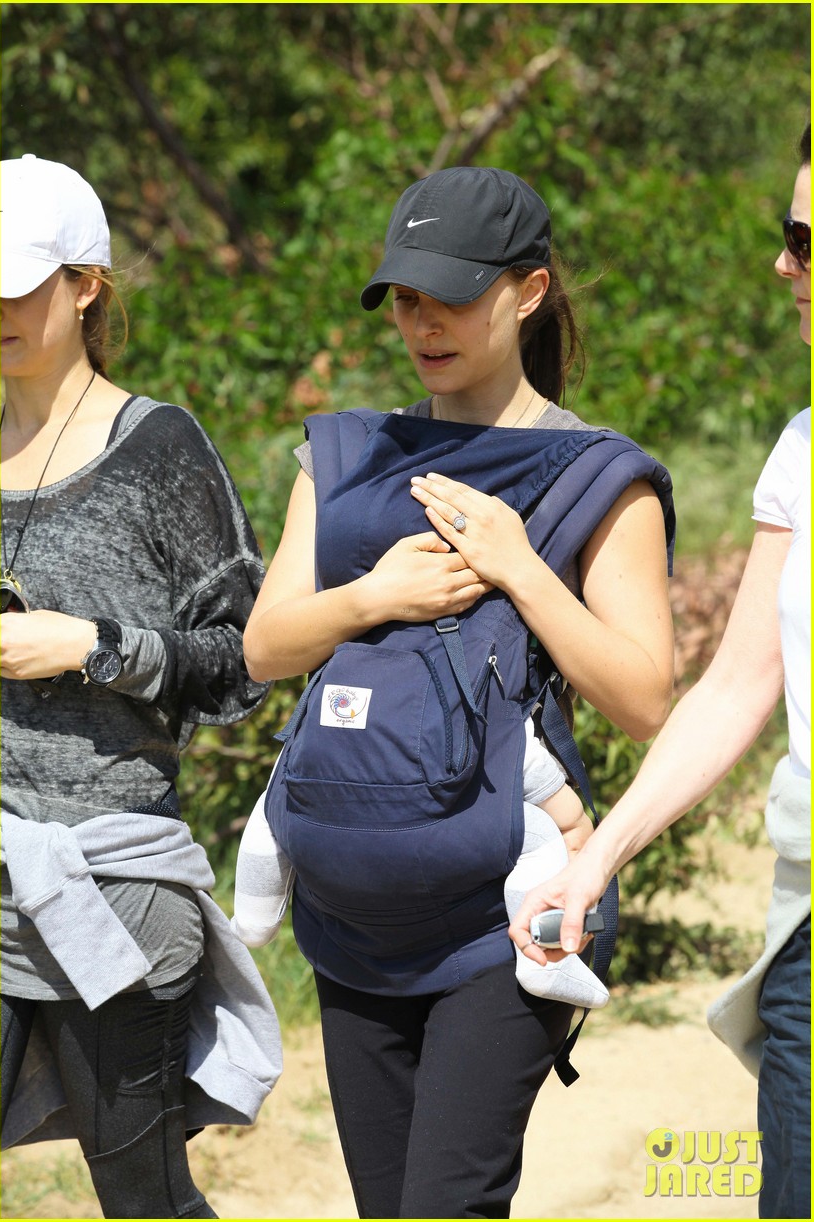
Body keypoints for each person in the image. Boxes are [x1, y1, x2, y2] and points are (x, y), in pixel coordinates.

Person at [242, 165, 675, 1219]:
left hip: (511, 911)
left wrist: (522, 567)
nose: (420, 321)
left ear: (527, 291)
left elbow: (649, 703)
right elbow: (263, 646)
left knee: (446, 1205)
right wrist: (372, 595)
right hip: (350, 921)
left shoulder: (597, 474)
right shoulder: (342, 455)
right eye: (402, 296)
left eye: (448, 294)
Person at [509, 124, 811, 1221]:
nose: (783, 265)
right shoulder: (799, 446)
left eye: (802, 240)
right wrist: (594, 865)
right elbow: (734, 687)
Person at [0, 154, 283, 1220]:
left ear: (86, 285)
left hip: (111, 887)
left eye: (20, 282)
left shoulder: (157, 445)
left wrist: (95, 644)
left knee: (142, 1193)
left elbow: (245, 658)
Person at [234, 715, 608, 1009]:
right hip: (443, 838)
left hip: (335, 857)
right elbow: (519, 757)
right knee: (540, 832)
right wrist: (575, 831)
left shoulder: (338, 660)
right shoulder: (470, 663)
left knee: (274, 803)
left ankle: (253, 920)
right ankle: (543, 959)